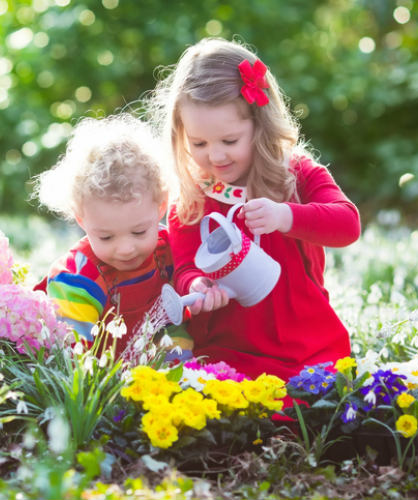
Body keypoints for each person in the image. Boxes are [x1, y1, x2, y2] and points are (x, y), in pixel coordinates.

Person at [150, 38, 361, 381]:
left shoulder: (295, 174)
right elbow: (186, 263)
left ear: (260, 126)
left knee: (312, 403)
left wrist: (285, 216)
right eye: (199, 143)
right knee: (222, 411)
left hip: (306, 343)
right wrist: (198, 284)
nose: (215, 156)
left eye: (229, 141)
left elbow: (347, 224)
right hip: (228, 349)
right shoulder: (193, 194)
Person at [33, 114, 192, 357]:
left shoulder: (168, 252)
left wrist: (177, 366)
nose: (126, 248)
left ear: (161, 206)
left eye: (139, 232)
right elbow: (70, 354)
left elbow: (172, 322)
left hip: (148, 377)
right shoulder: (78, 277)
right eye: (106, 237)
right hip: (96, 381)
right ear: (80, 218)